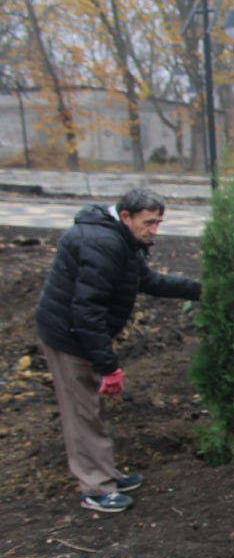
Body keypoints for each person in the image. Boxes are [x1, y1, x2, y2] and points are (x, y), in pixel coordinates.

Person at [35, 189, 202, 513]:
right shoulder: (104, 244)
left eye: (158, 222)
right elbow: (87, 312)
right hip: (68, 336)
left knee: (89, 407)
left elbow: (147, 281)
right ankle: (96, 488)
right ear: (126, 216)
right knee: (82, 411)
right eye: (149, 222)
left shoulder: (121, 240)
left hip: (79, 331)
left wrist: (197, 289)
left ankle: (105, 471)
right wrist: (108, 365)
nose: (154, 230)